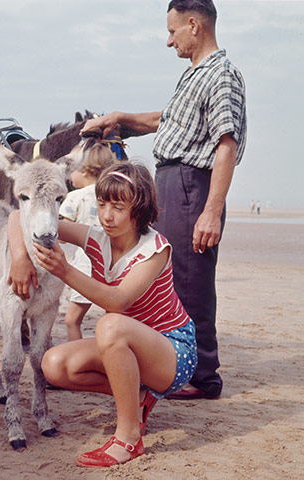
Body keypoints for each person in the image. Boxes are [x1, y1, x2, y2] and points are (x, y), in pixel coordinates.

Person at [80, 0, 247, 400]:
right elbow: (165, 120)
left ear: (194, 25)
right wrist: (120, 120)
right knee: (170, 274)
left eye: (173, 31)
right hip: (171, 181)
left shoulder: (222, 74)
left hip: (192, 184)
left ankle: (201, 374)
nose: (168, 40)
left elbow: (226, 143)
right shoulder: (194, 75)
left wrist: (210, 211)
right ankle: (171, 360)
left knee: (189, 277)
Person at [7, 162, 197, 468]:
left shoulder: (155, 249)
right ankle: (139, 399)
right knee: (53, 364)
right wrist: (19, 257)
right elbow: (18, 216)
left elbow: (119, 302)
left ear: (140, 208)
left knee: (109, 324)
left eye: (118, 206)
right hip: (129, 343)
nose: (107, 215)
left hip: (173, 350)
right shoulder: (96, 237)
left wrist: (64, 271)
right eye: (102, 204)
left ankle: (129, 438)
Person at [58, 141, 116, 341]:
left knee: (72, 320)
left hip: (85, 266)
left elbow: (64, 235)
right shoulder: (111, 195)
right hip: (112, 265)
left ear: (84, 170)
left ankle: (76, 355)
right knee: (113, 318)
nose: (69, 176)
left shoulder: (74, 197)